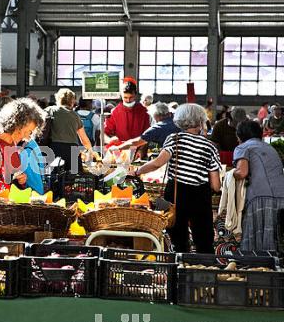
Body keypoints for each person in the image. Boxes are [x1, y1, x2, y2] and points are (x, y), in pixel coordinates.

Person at [132, 104, 222, 253]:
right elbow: (216, 185)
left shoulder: (174, 139)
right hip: (201, 196)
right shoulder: (210, 146)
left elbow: (158, 162)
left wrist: (138, 171)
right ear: (200, 120)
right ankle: (203, 268)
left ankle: (179, 268)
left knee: (177, 237)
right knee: (203, 238)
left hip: (176, 192)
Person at [233, 120, 284, 252]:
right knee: (277, 239)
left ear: (240, 135)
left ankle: (259, 269)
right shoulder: (269, 147)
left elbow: (242, 172)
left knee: (259, 244)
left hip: (260, 198)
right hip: (281, 196)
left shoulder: (243, 147)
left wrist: (230, 174)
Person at [0, 98, 45, 195]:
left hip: (8, 206)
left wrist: (21, 180)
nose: (28, 136)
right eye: (29, 132)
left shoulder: (11, 144)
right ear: (17, 125)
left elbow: (13, 176)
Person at [44, 88, 95, 173]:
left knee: (55, 178)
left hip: (55, 148)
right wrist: (91, 153)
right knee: (73, 180)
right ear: (72, 102)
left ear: (58, 99)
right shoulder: (75, 116)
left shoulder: (50, 110)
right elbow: (84, 140)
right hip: (73, 150)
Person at [109, 102, 181, 154]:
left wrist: (118, 148)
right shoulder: (178, 122)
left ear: (156, 116)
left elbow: (136, 142)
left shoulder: (157, 128)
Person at [104, 77, 151, 143]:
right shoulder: (115, 112)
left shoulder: (143, 111)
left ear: (135, 94)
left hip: (139, 147)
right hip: (121, 149)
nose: (128, 100)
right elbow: (103, 134)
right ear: (121, 95)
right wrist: (110, 140)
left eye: (131, 97)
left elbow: (148, 134)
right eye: (125, 97)